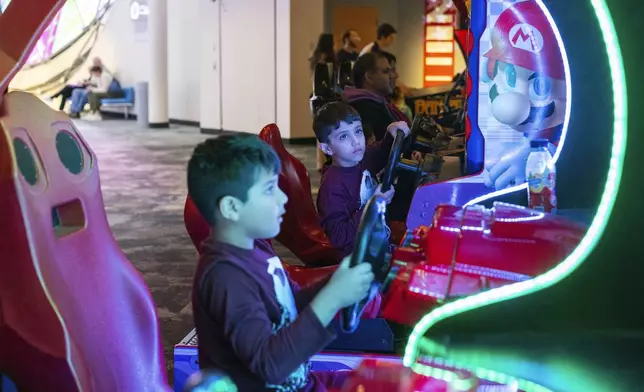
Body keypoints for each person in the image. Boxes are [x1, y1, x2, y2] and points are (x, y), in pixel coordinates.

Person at [187, 134, 376, 391]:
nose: (283, 198)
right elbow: (270, 365)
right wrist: (332, 298)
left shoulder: (255, 249)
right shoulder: (226, 277)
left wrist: (336, 284)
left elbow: (287, 309)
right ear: (231, 208)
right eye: (269, 190)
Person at [313, 101, 410, 257]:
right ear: (327, 148)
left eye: (358, 131)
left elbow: (383, 151)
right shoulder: (332, 187)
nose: (355, 141)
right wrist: (374, 204)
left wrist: (391, 131)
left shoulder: (361, 159)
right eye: (344, 136)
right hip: (358, 259)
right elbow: (339, 237)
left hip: (380, 241)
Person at [343, 52, 407, 142]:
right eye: (386, 71)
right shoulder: (365, 109)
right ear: (369, 77)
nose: (394, 76)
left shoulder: (376, 104)